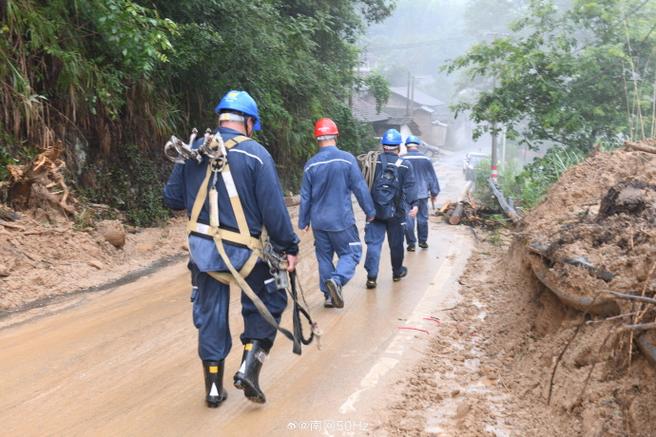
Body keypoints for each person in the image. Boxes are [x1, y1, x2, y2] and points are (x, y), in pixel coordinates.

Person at [163, 90, 300, 408]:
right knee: (273, 297)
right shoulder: (256, 155)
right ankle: (248, 368)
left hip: (204, 255)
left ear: (221, 118)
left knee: (211, 314)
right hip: (248, 254)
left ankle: (213, 390)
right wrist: (288, 248)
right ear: (249, 122)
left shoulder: (194, 150)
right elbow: (274, 213)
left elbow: (170, 199)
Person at [298, 118, 375, 309]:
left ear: (317, 138)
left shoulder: (310, 164)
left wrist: (303, 221)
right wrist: (370, 211)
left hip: (319, 222)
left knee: (324, 257)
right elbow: (360, 187)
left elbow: (305, 196)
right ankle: (337, 281)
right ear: (335, 135)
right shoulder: (347, 159)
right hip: (341, 220)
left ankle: (328, 296)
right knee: (352, 252)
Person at [363, 128, 418, 289]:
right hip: (397, 213)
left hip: (375, 212)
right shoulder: (405, 165)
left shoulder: (373, 162)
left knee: (373, 244)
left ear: (383, 145)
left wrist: (368, 209)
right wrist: (414, 205)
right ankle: (397, 272)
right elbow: (410, 189)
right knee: (396, 244)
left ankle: (372, 277)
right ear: (399, 146)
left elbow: (364, 184)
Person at [402, 135, 440, 251]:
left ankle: (411, 244)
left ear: (406, 146)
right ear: (418, 146)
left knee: (408, 219)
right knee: (422, 218)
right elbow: (432, 178)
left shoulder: (402, 159)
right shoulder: (426, 160)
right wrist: (434, 193)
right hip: (422, 194)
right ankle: (423, 241)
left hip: (407, 195)